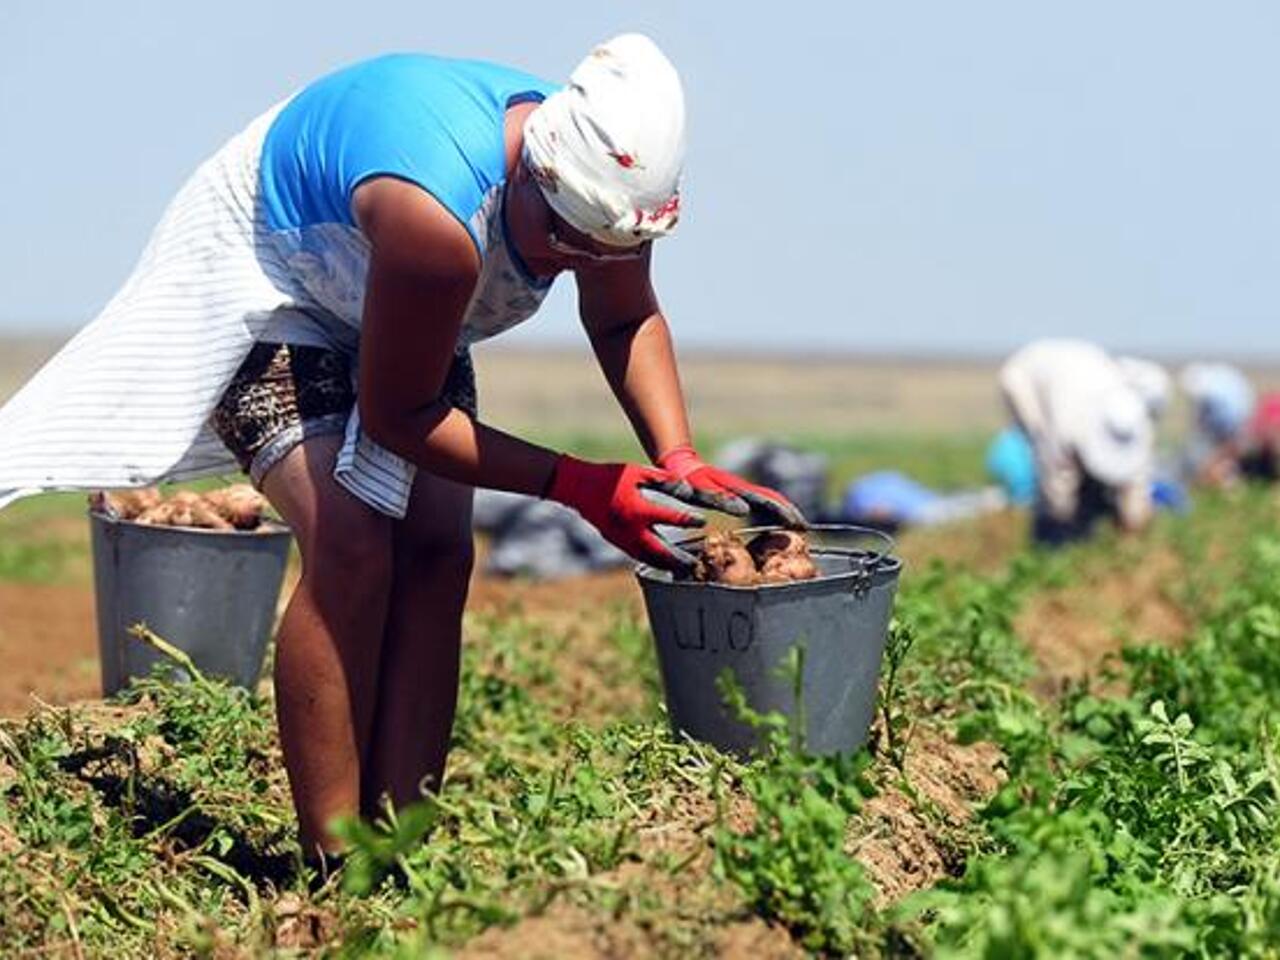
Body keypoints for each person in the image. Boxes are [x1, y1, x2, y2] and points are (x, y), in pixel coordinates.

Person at [0, 35, 803, 865]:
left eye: (604, 249)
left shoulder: (608, 192)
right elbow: (399, 414)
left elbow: (622, 315)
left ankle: (398, 850)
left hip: (403, 305)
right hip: (277, 275)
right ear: (536, 171)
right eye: (566, 240)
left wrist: (677, 456)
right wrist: (578, 485)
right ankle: (334, 865)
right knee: (352, 544)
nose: (576, 265)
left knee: (437, 553)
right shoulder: (438, 217)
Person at [998, 339, 1154, 546]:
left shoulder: (1134, 420)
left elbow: (1137, 481)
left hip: (1078, 373)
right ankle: (1053, 537)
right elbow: (1056, 470)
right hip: (1026, 377)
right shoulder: (1067, 424)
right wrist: (1064, 519)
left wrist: (1133, 522)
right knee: (1048, 461)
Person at [1178, 362, 1256, 489]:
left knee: (1220, 466)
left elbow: (1230, 431)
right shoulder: (1215, 389)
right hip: (1226, 435)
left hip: (1229, 435)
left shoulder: (1222, 399)